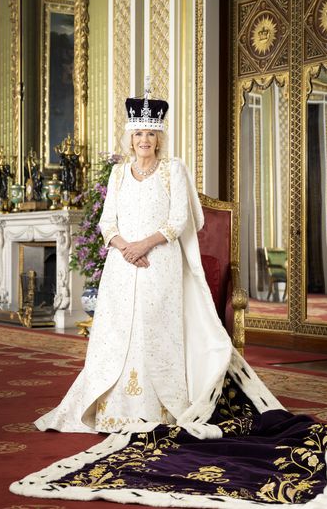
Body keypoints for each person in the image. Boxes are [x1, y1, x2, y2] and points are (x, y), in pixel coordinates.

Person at [34, 85, 281, 434]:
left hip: (160, 261)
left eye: (151, 133)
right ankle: (112, 410)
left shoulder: (173, 171)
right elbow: (107, 222)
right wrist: (124, 247)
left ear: (159, 138)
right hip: (122, 265)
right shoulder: (119, 173)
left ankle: (159, 409)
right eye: (139, 134)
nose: (144, 140)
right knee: (121, 333)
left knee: (153, 331)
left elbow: (179, 220)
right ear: (130, 138)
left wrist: (143, 245)